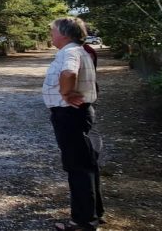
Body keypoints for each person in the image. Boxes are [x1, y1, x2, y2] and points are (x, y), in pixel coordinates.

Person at [44, 17, 104, 230]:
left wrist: (65, 92)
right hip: (76, 114)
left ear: (64, 33)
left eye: (53, 31)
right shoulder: (78, 50)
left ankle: (82, 220)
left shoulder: (70, 51)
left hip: (70, 114)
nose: (51, 35)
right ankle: (94, 212)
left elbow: (69, 72)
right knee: (85, 164)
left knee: (77, 167)